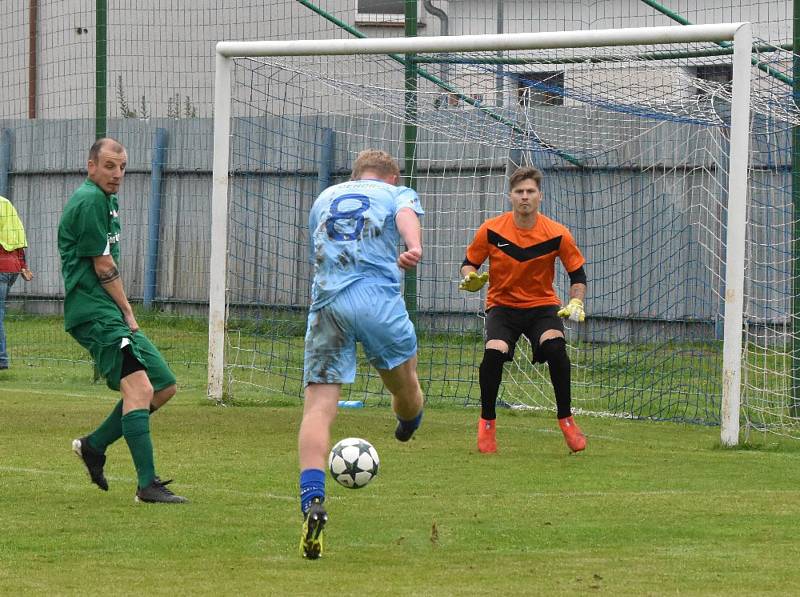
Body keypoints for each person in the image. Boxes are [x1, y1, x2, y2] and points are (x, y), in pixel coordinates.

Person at [298, 149, 425, 559]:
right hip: (377, 302)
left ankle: (311, 501)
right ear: (391, 178)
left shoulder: (325, 197)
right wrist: (413, 245)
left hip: (327, 306)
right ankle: (408, 423)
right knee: (406, 384)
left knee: (318, 408)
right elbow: (407, 216)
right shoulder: (396, 194)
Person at [58, 138, 186, 503]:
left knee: (162, 385)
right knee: (140, 389)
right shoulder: (88, 201)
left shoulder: (106, 199)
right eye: (110, 166)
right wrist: (129, 312)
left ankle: (94, 446)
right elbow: (103, 266)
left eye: (122, 166)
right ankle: (147, 485)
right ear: (91, 166)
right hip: (95, 313)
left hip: (107, 312)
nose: (117, 174)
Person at [459, 165, 588, 454]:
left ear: (539, 196)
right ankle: (487, 423)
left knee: (556, 348)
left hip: (542, 307)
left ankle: (566, 419)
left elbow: (577, 276)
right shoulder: (491, 230)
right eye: (519, 192)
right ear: (511, 197)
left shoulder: (557, 234)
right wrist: (470, 278)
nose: (525, 197)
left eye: (530, 191)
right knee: (493, 353)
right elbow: (469, 263)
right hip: (502, 307)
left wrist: (576, 301)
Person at [0, 195, 34, 370]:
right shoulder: (5, 204)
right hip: (11, 267)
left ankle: (1, 358)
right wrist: (23, 266)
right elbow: (17, 238)